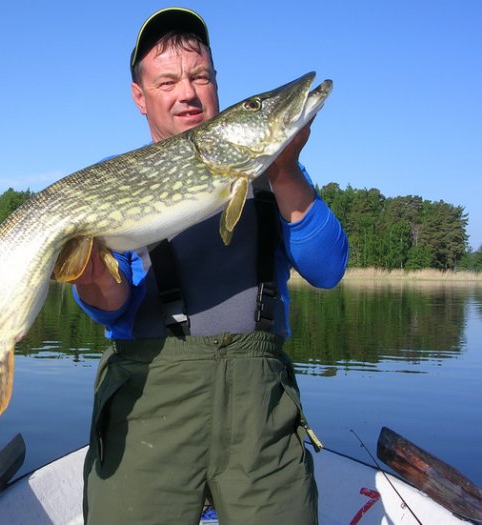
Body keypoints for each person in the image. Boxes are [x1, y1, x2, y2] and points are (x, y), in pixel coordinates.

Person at [71, 7, 349, 525]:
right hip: (151, 407)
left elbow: (328, 269)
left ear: (217, 84)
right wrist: (89, 276)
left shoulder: (274, 175)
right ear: (140, 97)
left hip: (259, 414)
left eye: (201, 77)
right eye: (168, 81)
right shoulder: (123, 189)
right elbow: (112, 307)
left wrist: (285, 170)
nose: (188, 93)